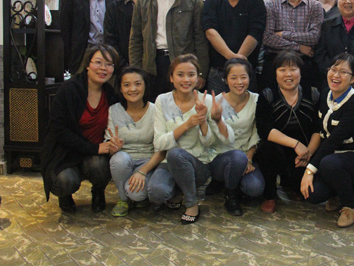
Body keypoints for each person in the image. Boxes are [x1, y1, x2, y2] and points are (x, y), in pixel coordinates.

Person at [153, 54, 242, 224]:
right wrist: (187, 125)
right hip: (170, 163)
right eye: (180, 74)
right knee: (157, 192)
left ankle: (191, 203)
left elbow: (219, 141)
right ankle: (178, 190)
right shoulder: (162, 100)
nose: (186, 79)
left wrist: (214, 120)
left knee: (177, 153)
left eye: (191, 74)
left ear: (198, 78)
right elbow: (159, 143)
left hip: (199, 163)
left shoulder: (207, 100)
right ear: (171, 78)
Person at [41, 44, 119, 213]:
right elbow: (59, 130)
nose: (103, 68)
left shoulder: (110, 93)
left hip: (94, 154)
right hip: (65, 153)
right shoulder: (69, 90)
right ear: (88, 65)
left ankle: (98, 191)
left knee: (100, 167)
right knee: (65, 181)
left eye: (109, 64)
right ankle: (65, 195)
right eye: (98, 62)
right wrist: (94, 148)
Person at [300, 54, 354, 227]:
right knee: (313, 195)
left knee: (328, 164)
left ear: (353, 78)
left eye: (343, 72)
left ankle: (349, 205)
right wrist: (308, 155)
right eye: (333, 69)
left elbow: (333, 140)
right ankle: (337, 192)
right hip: (331, 154)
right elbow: (319, 130)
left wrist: (310, 170)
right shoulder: (326, 94)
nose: (336, 75)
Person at [129, 0, 209, 101]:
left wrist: (201, 72)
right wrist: (135, 70)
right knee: (154, 106)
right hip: (152, 64)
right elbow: (136, 37)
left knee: (182, 107)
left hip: (183, 64)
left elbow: (200, 38)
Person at [255, 51, 321, 213]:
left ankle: (290, 184)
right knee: (266, 149)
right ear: (276, 74)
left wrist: (308, 153)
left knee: (311, 194)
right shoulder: (268, 95)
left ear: (300, 72)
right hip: (278, 149)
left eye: (293, 69)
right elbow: (265, 130)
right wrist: (296, 144)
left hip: (304, 154)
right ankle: (270, 196)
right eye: (282, 70)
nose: (288, 74)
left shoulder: (312, 94)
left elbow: (318, 129)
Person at [105, 67, 164, 217]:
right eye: (126, 85)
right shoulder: (113, 110)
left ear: (145, 86)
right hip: (123, 162)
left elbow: (162, 149)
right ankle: (123, 199)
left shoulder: (156, 110)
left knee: (136, 194)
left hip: (148, 162)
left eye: (138, 84)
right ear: (120, 88)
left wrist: (142, 171)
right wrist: (113, 148)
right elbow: (109, 145)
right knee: (120, 159)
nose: (132, 89)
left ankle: (134, 195)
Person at [202, 0, 266, 94]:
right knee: (216, 107)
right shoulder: (212, 2)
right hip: (218, 73)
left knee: (248, 107)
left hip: (246, 72)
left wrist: (237, 61)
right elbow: (210, 32)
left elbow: (255, 32)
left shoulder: (255, 1)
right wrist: (231, 57)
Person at [212, 58, 265, 210]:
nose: (239, 82)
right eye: (233, 78)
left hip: (247, 156)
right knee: (236, 158)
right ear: (226, 80)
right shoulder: (216, 102)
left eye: (243, 77)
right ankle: (231, 194)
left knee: (255, 188)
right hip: (221, 158)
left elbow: (256, 132)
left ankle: (234, 181)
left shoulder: (257, 100)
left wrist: (248, 158)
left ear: (249, 78)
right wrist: (238, 160)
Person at [262, 0, 324, 90]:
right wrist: (299, 47)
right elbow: (268, 38)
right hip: (275, 62)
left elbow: (314, 37)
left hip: (305, 63)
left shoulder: (315, 6)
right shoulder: (271, 4)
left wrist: (283, 34)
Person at [104, 0, 144, 69]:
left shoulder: (152, 4)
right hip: (123, 68)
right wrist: (124, 67)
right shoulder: (113, 8)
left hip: (150, 67)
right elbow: (110, 41)